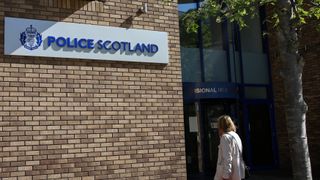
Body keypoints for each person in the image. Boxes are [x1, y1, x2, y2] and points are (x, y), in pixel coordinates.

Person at [214, 115, 245, 180]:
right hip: (237, 172)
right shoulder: (235, 135)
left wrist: (225, 176)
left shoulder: (225, 137)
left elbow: (227, 158)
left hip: (229, 175)